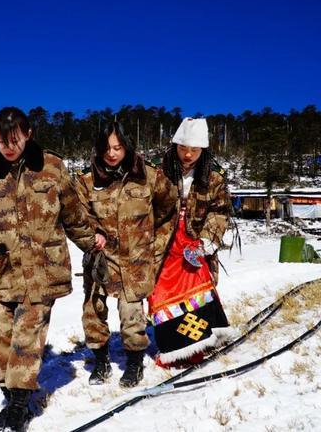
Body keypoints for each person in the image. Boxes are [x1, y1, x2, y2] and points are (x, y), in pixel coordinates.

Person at [0, 107, 101, 432]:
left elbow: (74, 213)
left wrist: (93, 242)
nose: (8, 146)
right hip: (4, 272)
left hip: (44, 271)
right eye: (1, 140)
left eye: (14, 139)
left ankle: (20, 403)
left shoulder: (52, 168)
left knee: (27, 338)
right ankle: (8, 392)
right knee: (0, 338)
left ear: (28, 133)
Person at [75, 121, 176, 387]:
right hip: (100, 257)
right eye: (106, 148)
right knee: (93, 310)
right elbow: (78, 216)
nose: (112, 153)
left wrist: (155, 245)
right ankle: (100, 361)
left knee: (132, 312)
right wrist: (91, 235)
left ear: (126, 147)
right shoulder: (86, 181)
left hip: (136, 259)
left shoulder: (149, 176)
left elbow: (169, 208)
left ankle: (134, 363)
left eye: (117, 147)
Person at [148, 117, 235, 367]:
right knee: (160, 294)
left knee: (195, 295)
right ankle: (173, 349)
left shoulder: (214, 177)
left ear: (203, 150)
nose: (187, 155)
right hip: (161, 245)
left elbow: (220, 211)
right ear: (174, 146)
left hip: (194, 244)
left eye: (194, 150)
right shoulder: (157, 171)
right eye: (183, 148)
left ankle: (197, 347)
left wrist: (207, 241)